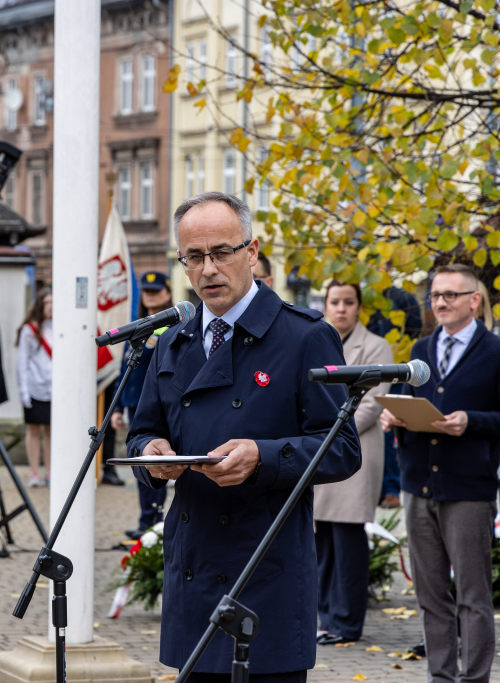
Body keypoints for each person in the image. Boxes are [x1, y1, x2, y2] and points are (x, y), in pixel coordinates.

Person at [128, 192, 361, 678]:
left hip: (265, 567)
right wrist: (151, 452)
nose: (208, 269)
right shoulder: (172, 341)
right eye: (194, 257)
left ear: (251, 252)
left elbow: (341, 448)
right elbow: (144, 429)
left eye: (221, 252)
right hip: (193, 563)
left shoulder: (304, 335)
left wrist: (263, 457)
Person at [380, 263, 500, 683]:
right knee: (430, 595)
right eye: (435, 295)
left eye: (451, 294)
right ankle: (441, 677)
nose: (441, 302)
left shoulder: (495, 351)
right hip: (418, 486)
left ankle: (475, 678)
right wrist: (393, 417)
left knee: (472, 597)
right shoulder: (421, 348)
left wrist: (472, 421)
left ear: (474, 300)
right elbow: (410, 400)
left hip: (468, 490)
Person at [313, 281, 393, 644]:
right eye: (335, 302)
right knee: (323, 541)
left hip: (353, 451)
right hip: (319, 451)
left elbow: (372, 405)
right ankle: (325, 618)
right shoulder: (317, 342)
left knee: (347, 541)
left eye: (348, 302)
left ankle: (346, 623)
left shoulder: (376, 346)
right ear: (326, 305)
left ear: (359, 307)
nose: (341, 308)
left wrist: (326, 434)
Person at [112, 272, 172, 539]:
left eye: (156, 291)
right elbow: (125, 372)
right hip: (135, 406)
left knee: (157, 464)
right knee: (141, 465)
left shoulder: (172, 328)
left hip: (160, 409)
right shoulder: (137, 328)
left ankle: (155, 522)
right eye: (146, 291)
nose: (150, 296)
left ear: (168, 293)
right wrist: (117, 407)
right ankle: (146, 521)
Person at [367, 285, 423, 509]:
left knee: (390, 430)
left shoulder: (402, 298)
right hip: (369, 368)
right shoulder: (366, 296)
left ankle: (391, 488)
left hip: (397, 370)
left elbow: (415, 329)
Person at [16, 287, 52, 488]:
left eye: (53, 303)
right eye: (47, 303)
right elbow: (22, 361)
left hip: (54, 389)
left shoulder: (59, 327)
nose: (50, 307)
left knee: (51, 430)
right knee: (34, 429)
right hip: (35, 386)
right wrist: (23, 389)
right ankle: (34, 471)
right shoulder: (30, 329)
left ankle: (50, 471)